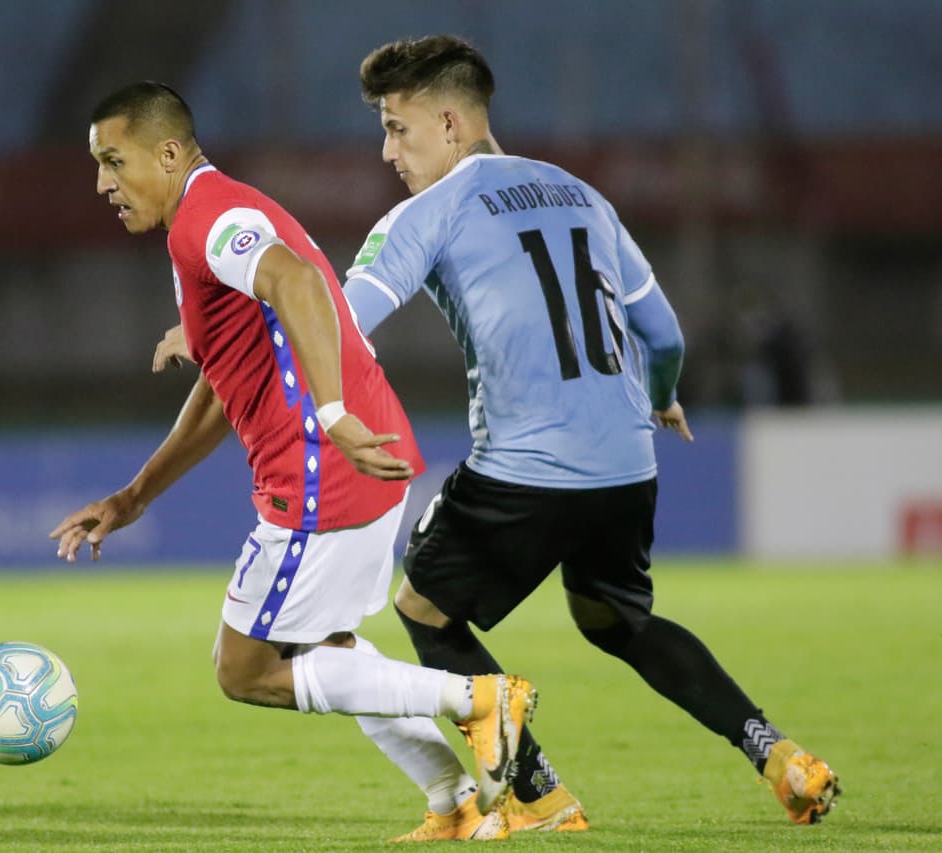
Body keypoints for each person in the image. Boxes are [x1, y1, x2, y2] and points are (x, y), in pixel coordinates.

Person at [155, 36, 841, 833]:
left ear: (449, 124)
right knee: (619, 621)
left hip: (527, 470)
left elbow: (338, 327)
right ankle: (776, 751)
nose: (387, 151)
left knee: (423, 606)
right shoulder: (585, 195)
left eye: (397, 128)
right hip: (627, 467)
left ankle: (536, 790)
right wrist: (661, 401)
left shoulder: (425, 215)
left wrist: (209, 328)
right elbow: (665, 337)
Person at [49, 81, 536, 843]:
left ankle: (478, 700)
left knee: (242, 669)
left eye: (114, 160)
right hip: (354, 463)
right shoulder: (202, 222)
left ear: (169, 153)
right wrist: (135, 495)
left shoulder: (211, 218)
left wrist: (332, 414)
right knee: (323, 648)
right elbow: (222, 388)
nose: (103, 182)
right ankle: (454, 801)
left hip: (325, 471)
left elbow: (300, 280)